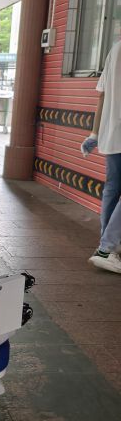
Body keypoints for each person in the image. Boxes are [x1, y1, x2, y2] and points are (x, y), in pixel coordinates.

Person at [81, 39, 121, 273]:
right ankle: (107, 249)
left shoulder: (115, 48)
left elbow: (102, 95)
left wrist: (94, 133)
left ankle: (108, 246)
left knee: (112, 189)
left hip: (112, 132)